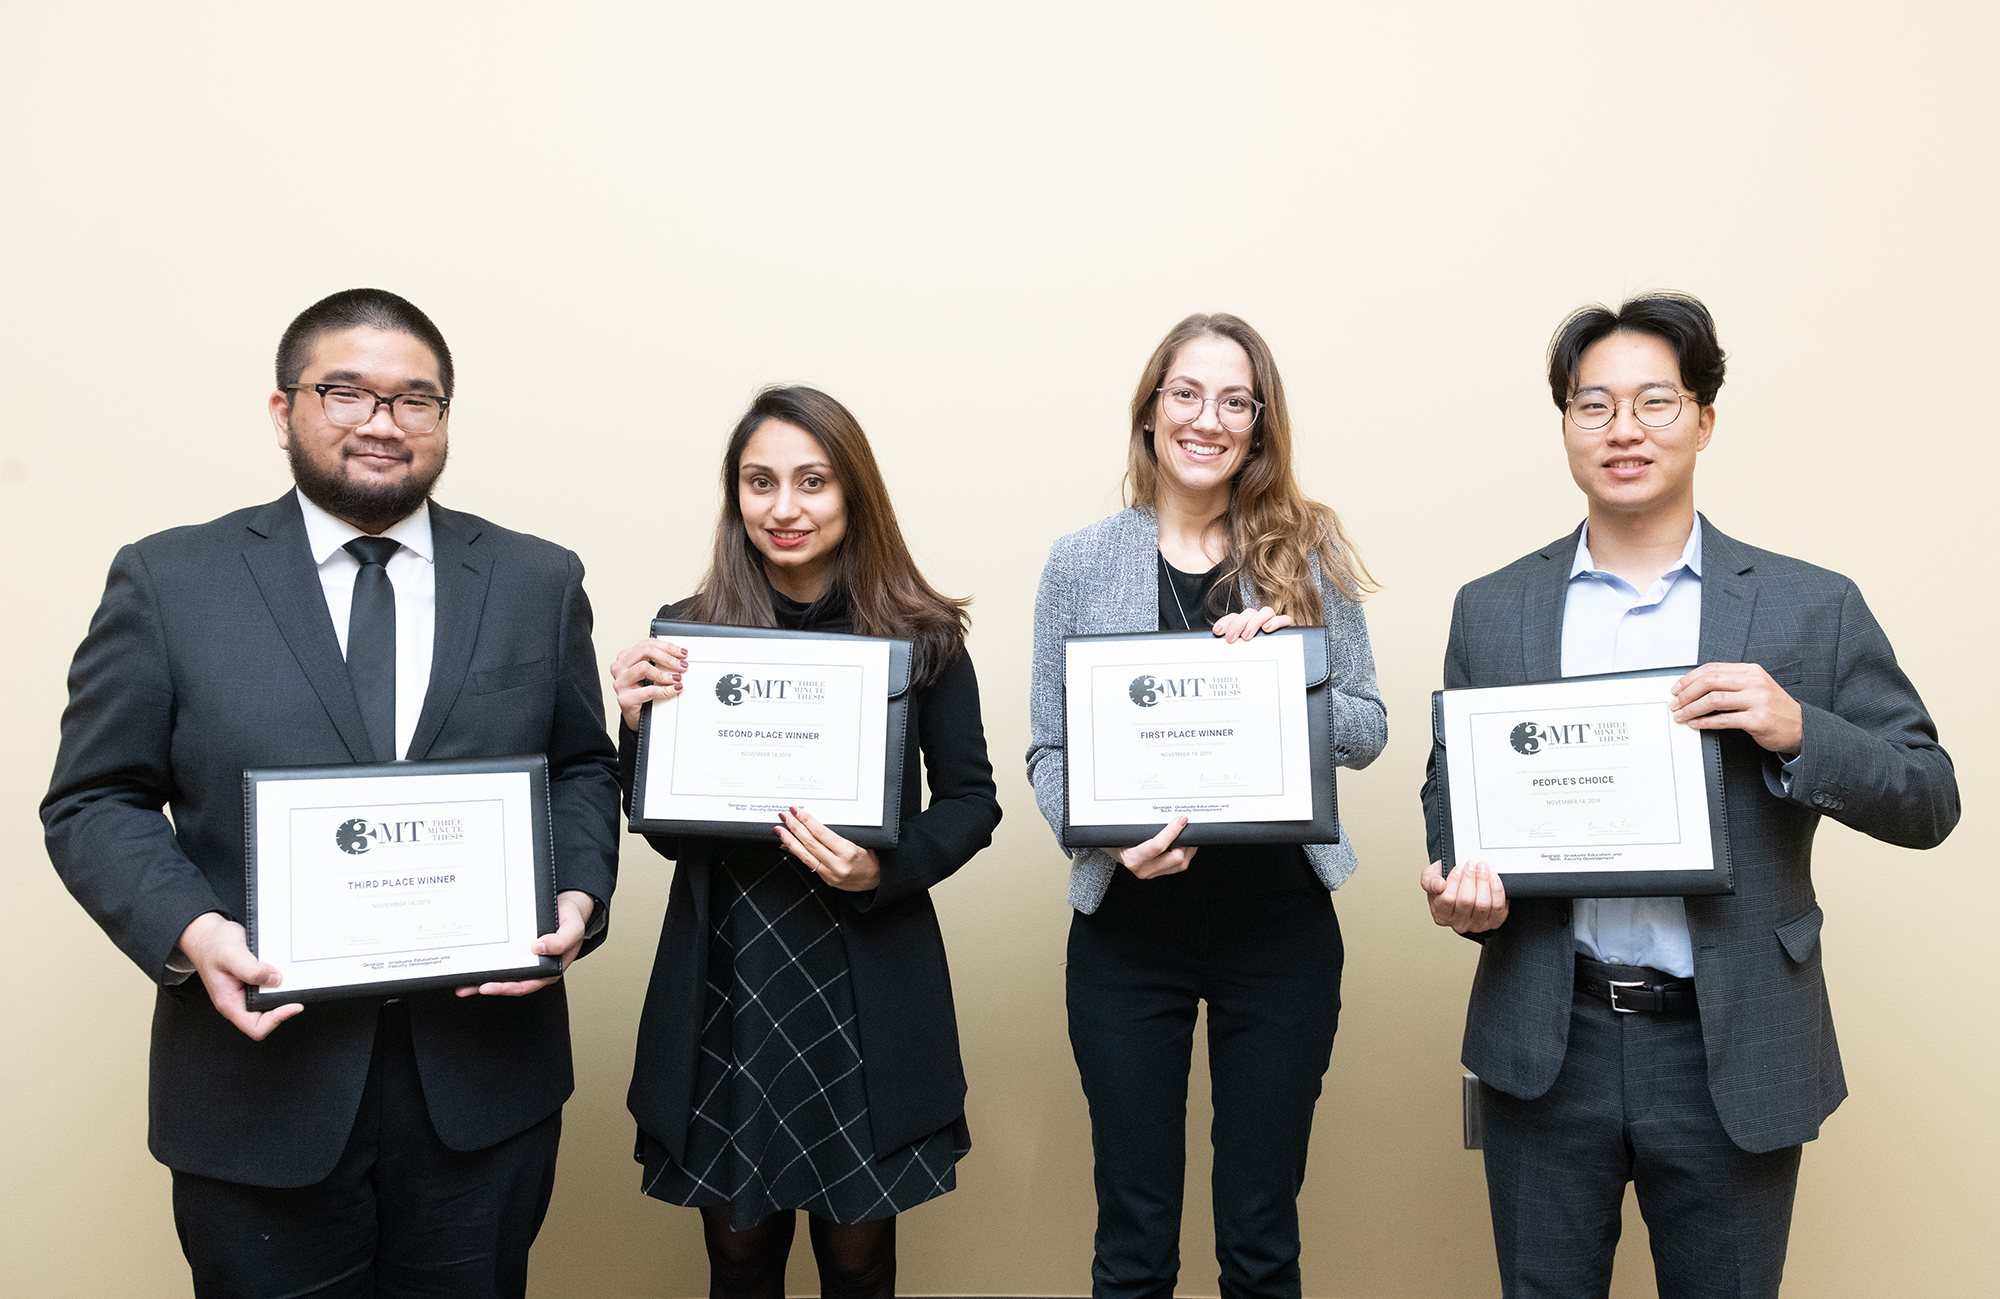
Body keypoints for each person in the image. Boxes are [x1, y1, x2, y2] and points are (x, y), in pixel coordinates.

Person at [41, 288, 623, 1297]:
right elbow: (94, 798)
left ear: (444, 419)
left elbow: (579, 766)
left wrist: (576, 894)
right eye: (345, 393)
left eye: (415, 400)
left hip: (482, 1088)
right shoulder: (172, 580)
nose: (381, 424)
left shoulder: (535, 579)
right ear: (283, 412)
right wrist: (192, 932)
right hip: (258, 1092)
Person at [1419, 292, 1960, 1298]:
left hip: (1733, 1044)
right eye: (1592, 405)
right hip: (1547, 1036)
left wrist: (1799, 727)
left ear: (1703, 419)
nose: (1622, 429)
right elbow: (1451, 787)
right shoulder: (1492, 609)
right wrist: (1456, 886)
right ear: (1566, 427)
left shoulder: (1809, 605)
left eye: (1653, 402)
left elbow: (1927, 797)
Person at [1026, 313, 1386, 1299]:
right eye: (1185, 393)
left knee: (1259, 1234)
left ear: (1257, 425)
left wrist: (1293, 674)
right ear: (1149, 411)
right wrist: (1103, 834)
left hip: (1276, 925)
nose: (1206, 419)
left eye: (1234, 401)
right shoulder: (1077, 562)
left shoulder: (1305, 551)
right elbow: (1047, 750)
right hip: (1127, 930)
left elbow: (1366, 727)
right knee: (1133, 1236)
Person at [612, 385, 1001, 1299]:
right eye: (760, 482)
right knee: (738, 1255)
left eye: (811, 481)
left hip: (862, 973)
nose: (783, 507)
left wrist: (882, 866)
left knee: (859, 1256)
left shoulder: (922, 633)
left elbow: (974, 801)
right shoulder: (690, 634)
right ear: (735, 497)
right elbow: (666, 831)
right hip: (729, 971)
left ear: (853, 491)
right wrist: (635, 728)